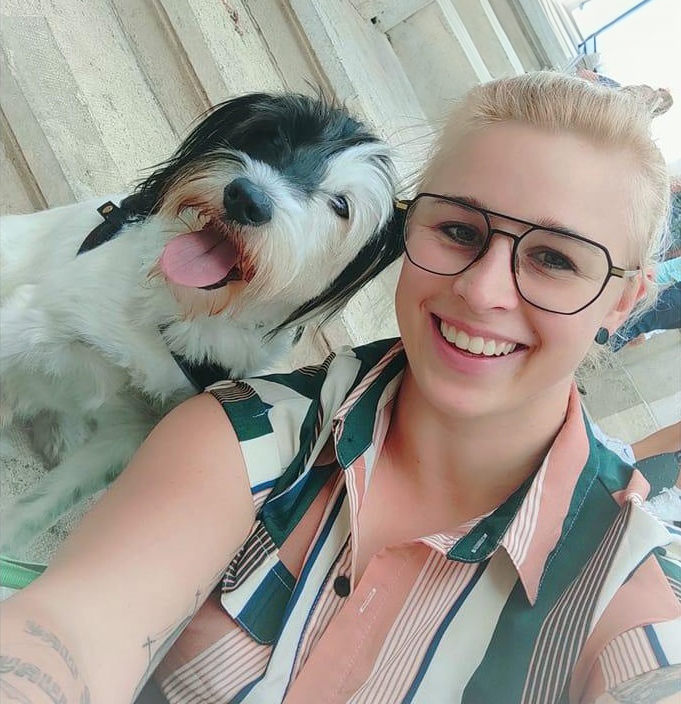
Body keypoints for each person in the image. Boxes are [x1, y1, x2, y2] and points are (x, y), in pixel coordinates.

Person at [2, 72, 680, 704]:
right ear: (407, 235)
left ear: (626, 301)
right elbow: (75, 628)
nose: (482, 291)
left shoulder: (626, 589)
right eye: (457, 229)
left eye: (555, 258)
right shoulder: (244, 431)